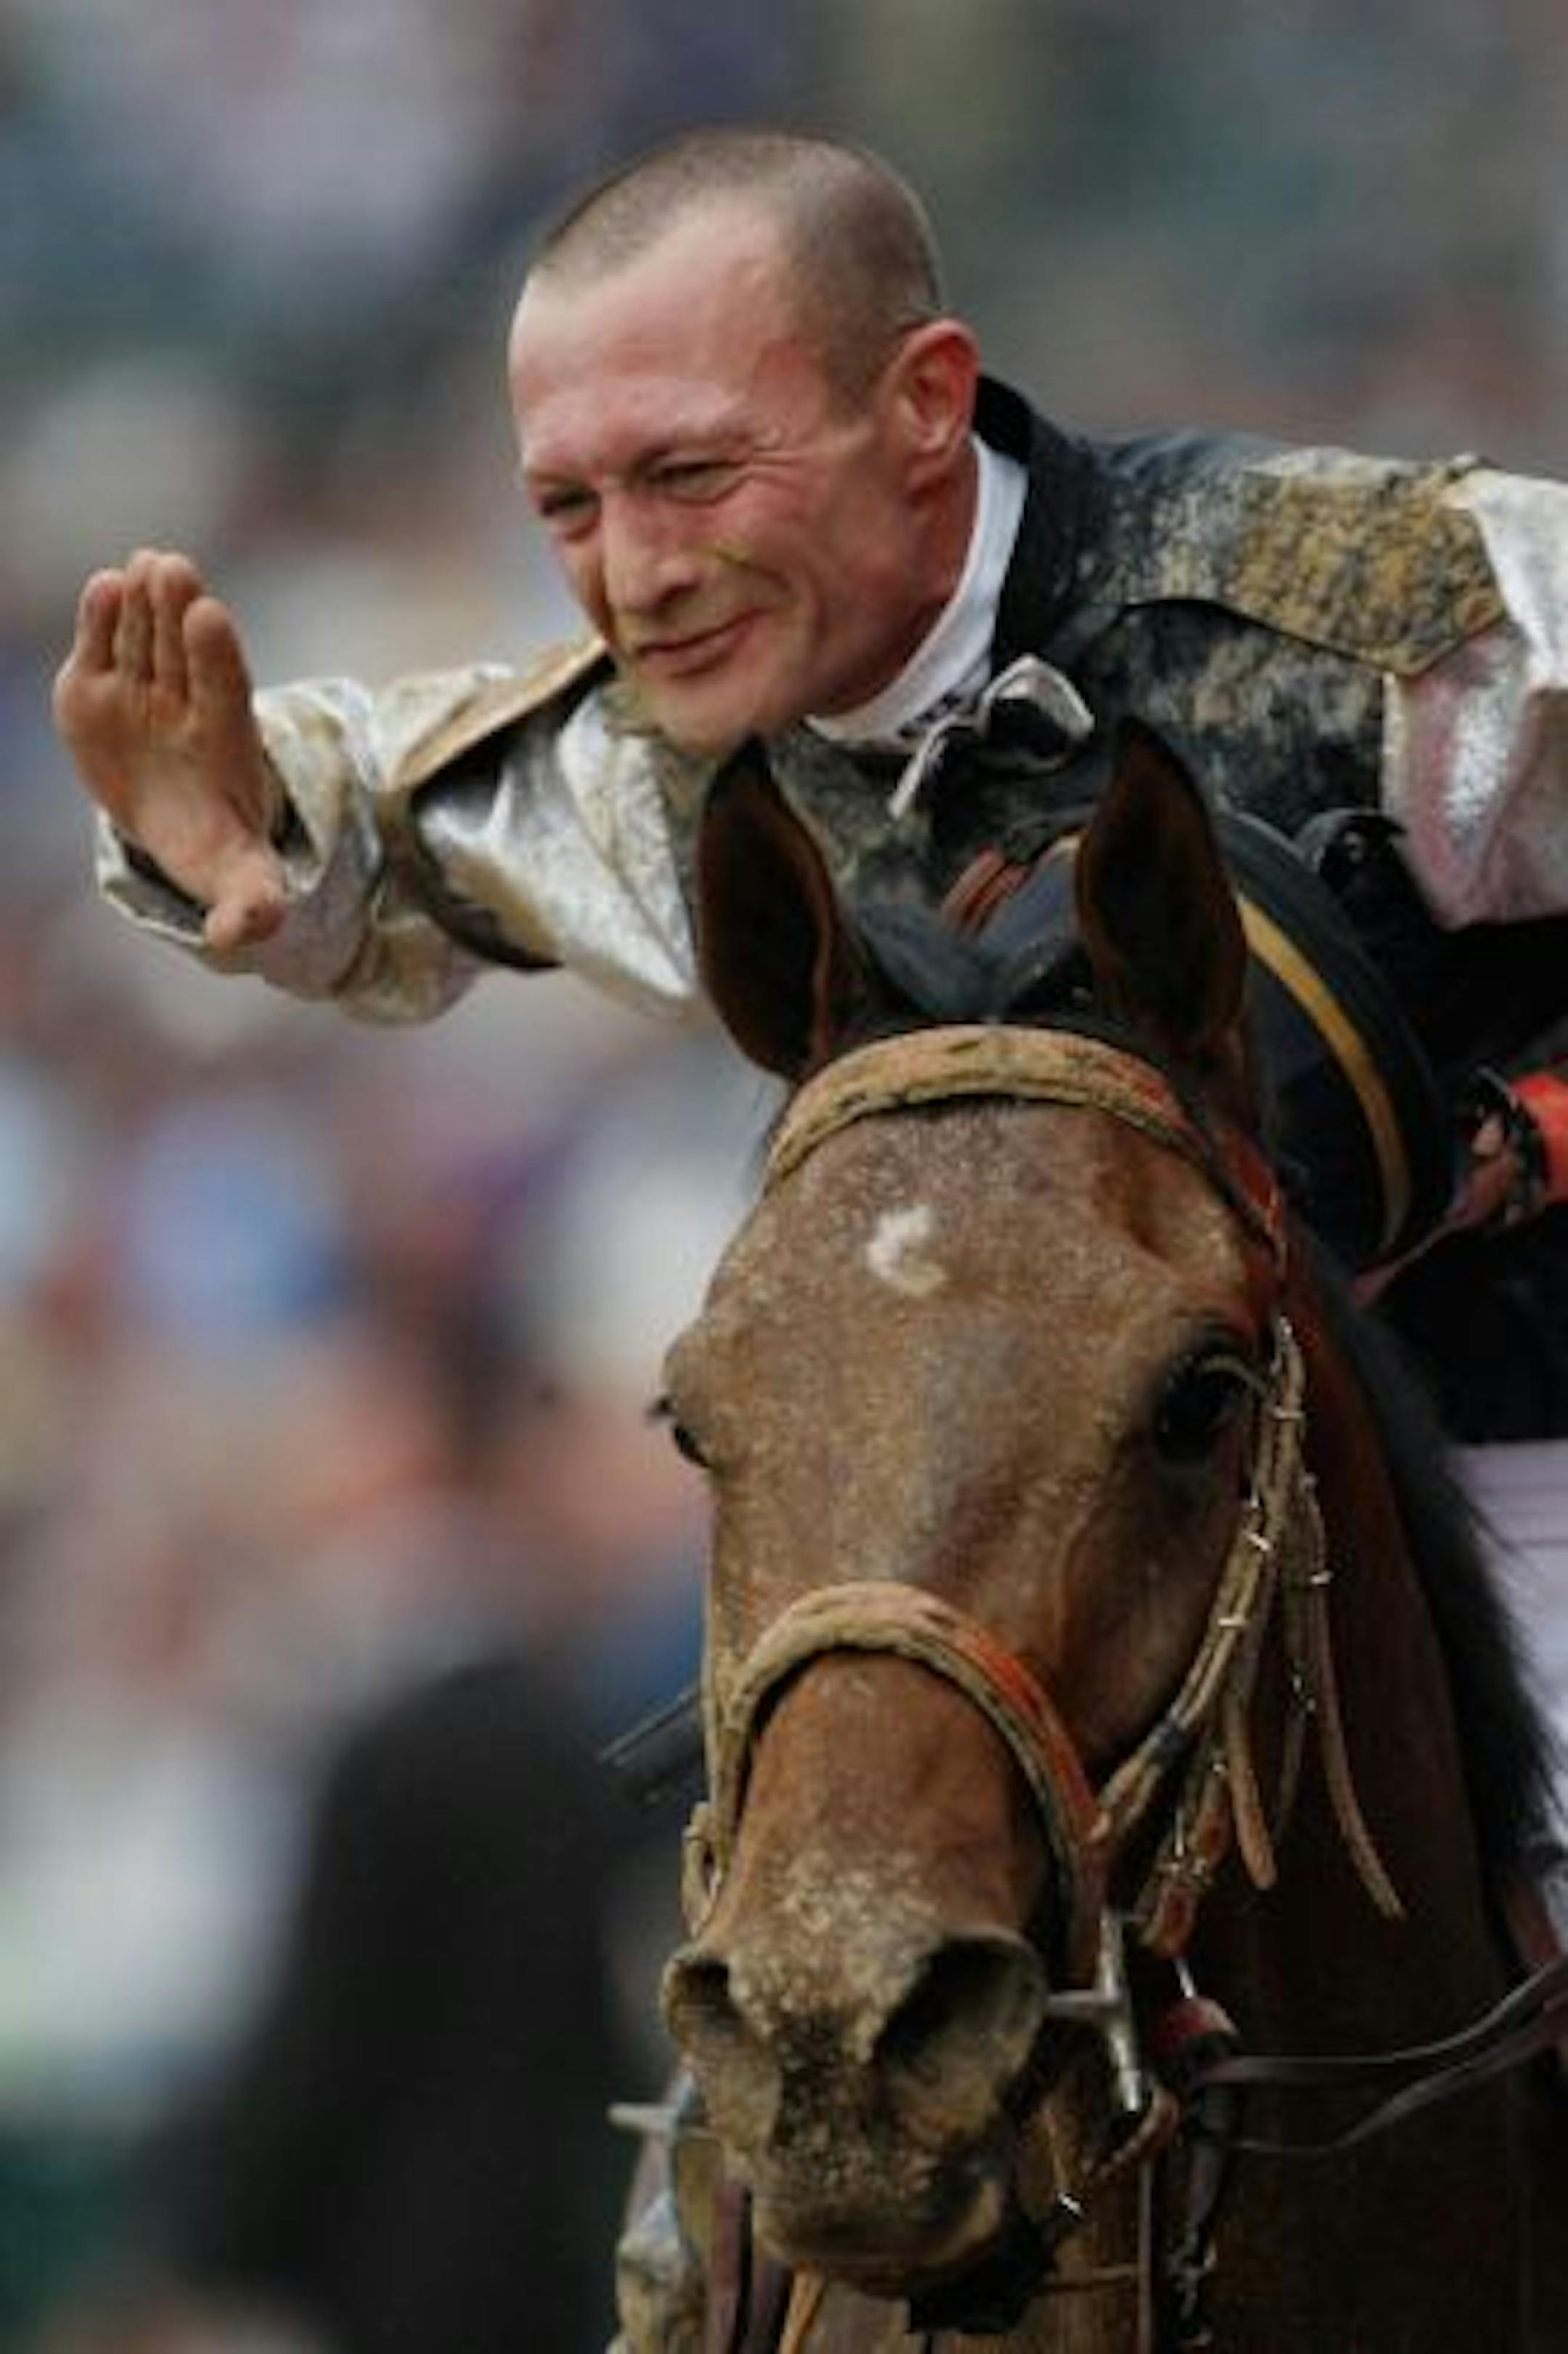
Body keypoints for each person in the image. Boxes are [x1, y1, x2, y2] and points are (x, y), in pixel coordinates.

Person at [52, 126, 1568, 1820]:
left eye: (692, 475)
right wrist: (225, 825)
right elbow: (379, 816)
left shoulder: (1387, 618)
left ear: (923, 400)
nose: (635, 571)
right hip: (1040, 1581)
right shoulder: (685, 759)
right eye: (569, 503)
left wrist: (1535, 1127)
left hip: (1520, 1471)